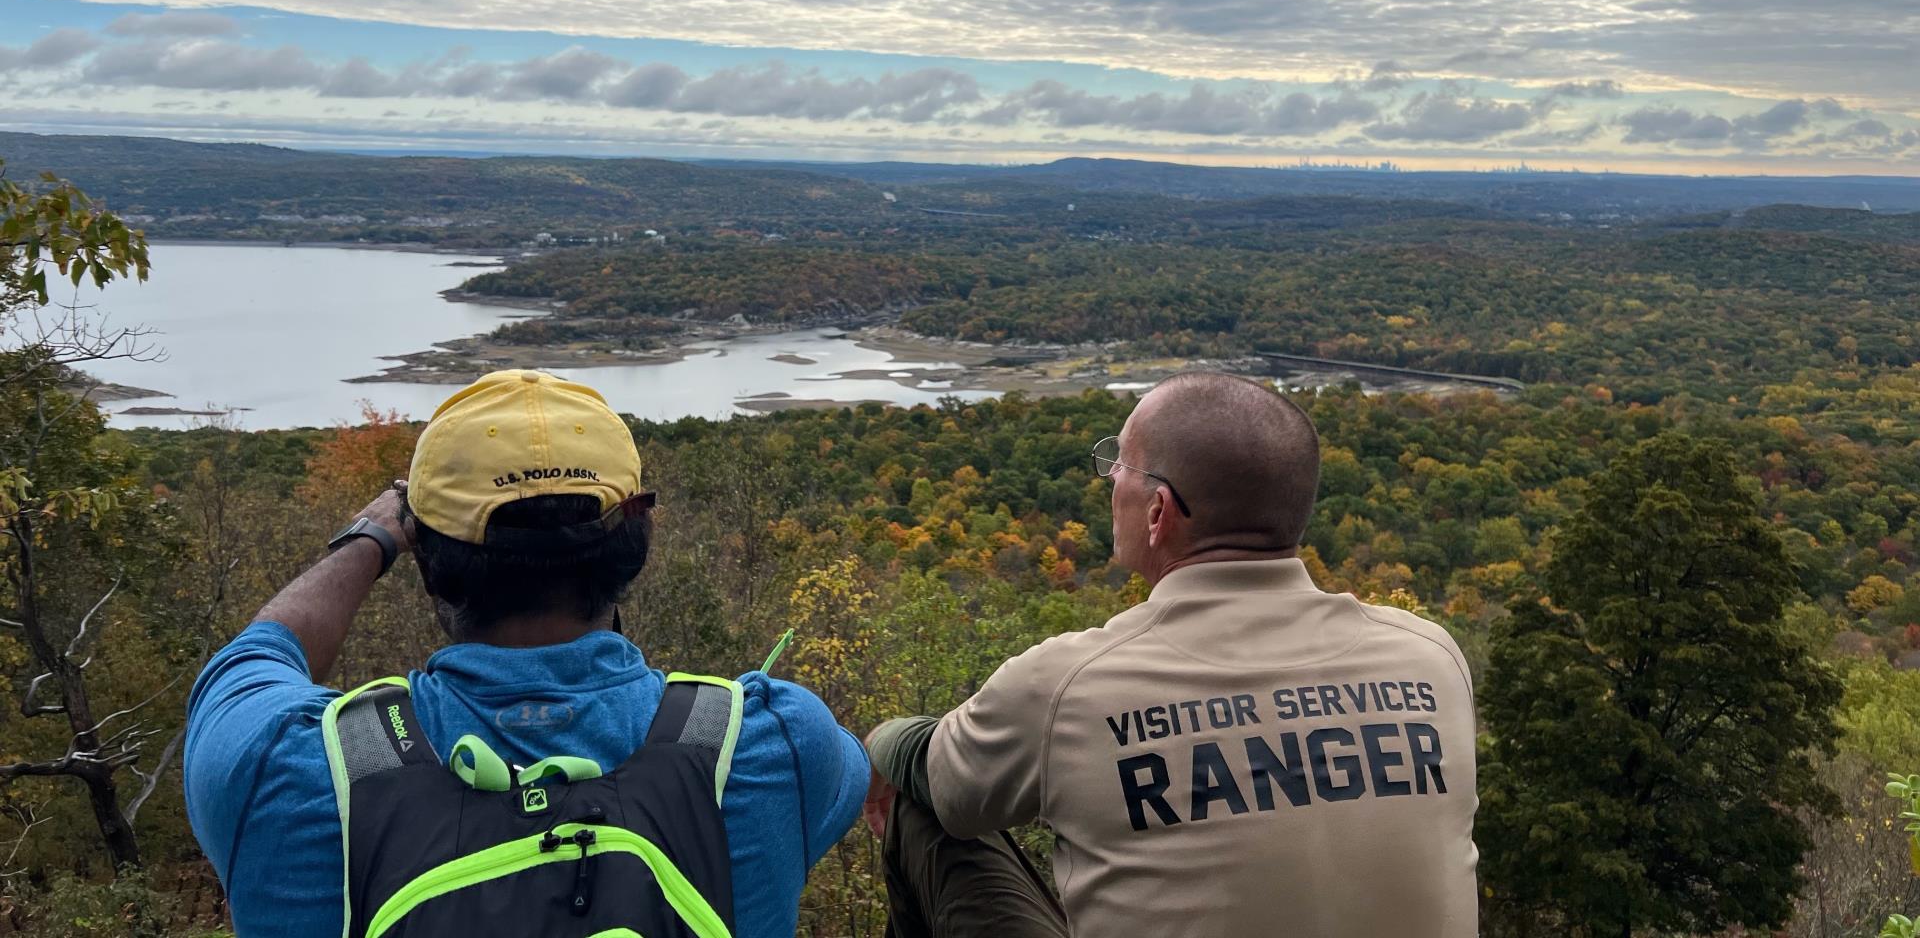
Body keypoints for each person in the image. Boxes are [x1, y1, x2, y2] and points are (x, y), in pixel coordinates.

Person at [185, 370, 867, 937]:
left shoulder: (284, 771)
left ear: (429, 564)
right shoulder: (772, 750)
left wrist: (375, 536)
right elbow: (859, 771)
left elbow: (253, 659)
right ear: (635, 550)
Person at [865, 372, 1479, 937]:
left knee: (920, 812)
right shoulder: (1432, 659)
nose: (1110, 482)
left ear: (1159, 512)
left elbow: (938, 777)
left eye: (1119, 467)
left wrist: (880, 741)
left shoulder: (1067, 685)